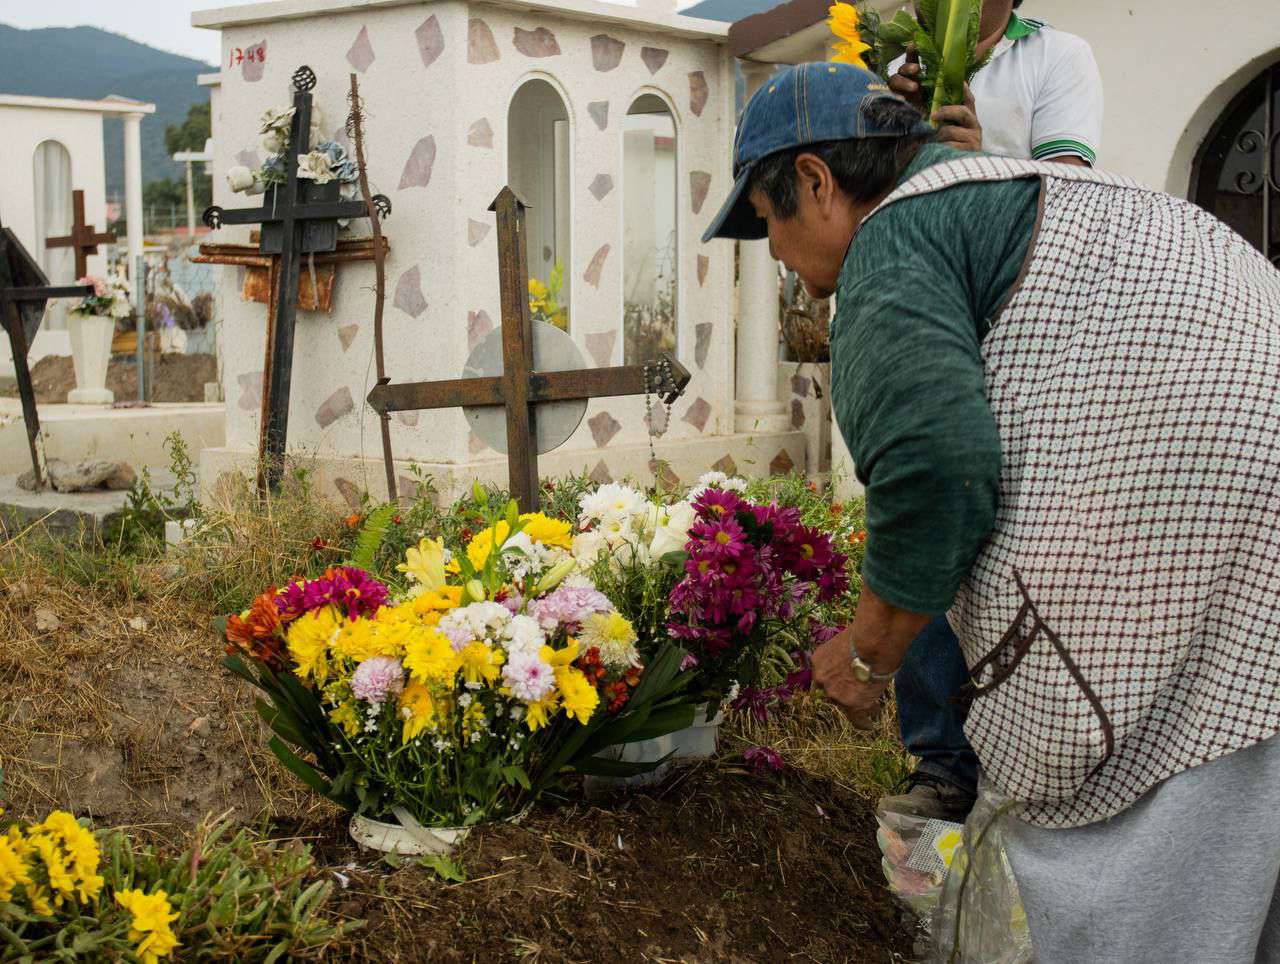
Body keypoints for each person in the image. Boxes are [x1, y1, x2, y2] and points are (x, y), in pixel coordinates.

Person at [701, 62, 1280, 961]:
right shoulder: (1044, 189)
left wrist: (868, 652)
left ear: (815, 181)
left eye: (768, 222)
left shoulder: (895, 236)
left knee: (1130, 847)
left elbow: (936, 467)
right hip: (1249, 519)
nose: (775, 253)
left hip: (1204, 527)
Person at [880, 0, 1106, 823]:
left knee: (1028, 535)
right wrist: (896, 131)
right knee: (929, 510)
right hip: (928, 323)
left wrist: (977, 158)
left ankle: (1038, 758)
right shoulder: (889, 61)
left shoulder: (1057, 57)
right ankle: (942, 759)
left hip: (1030, 337)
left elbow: (1075, 197)